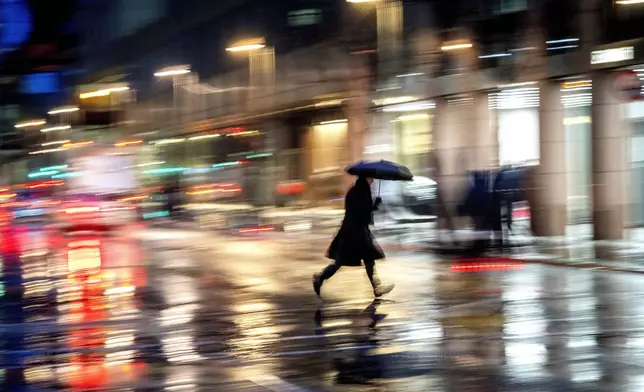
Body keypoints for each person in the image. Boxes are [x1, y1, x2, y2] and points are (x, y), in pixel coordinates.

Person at [313, 176, 395, 298]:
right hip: (354, 233)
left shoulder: (358, 190)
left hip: (354, 231)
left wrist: (373, 205)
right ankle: (320, 277)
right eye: (371, 178)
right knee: (342, 261)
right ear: (365, 178)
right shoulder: (359, 192)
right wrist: (375, 205)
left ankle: (376, 287)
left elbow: (360, 211)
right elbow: (361, 212)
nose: (373, 181)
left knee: (368, 259)